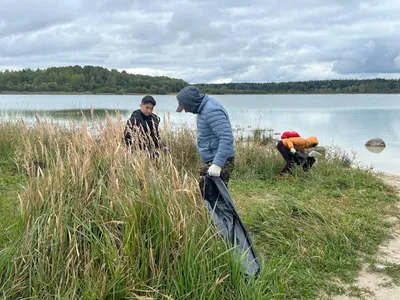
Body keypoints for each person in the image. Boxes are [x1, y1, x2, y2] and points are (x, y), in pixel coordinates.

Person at [175, 86, 235, 189]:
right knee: (206, 194)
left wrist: (217, 164)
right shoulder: (203, 109)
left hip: (220, 160)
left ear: (191, 103)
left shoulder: (212, 111)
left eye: (185, 107)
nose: (185, 110)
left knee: (215, 197)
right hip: (211, 158)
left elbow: (226, 138)